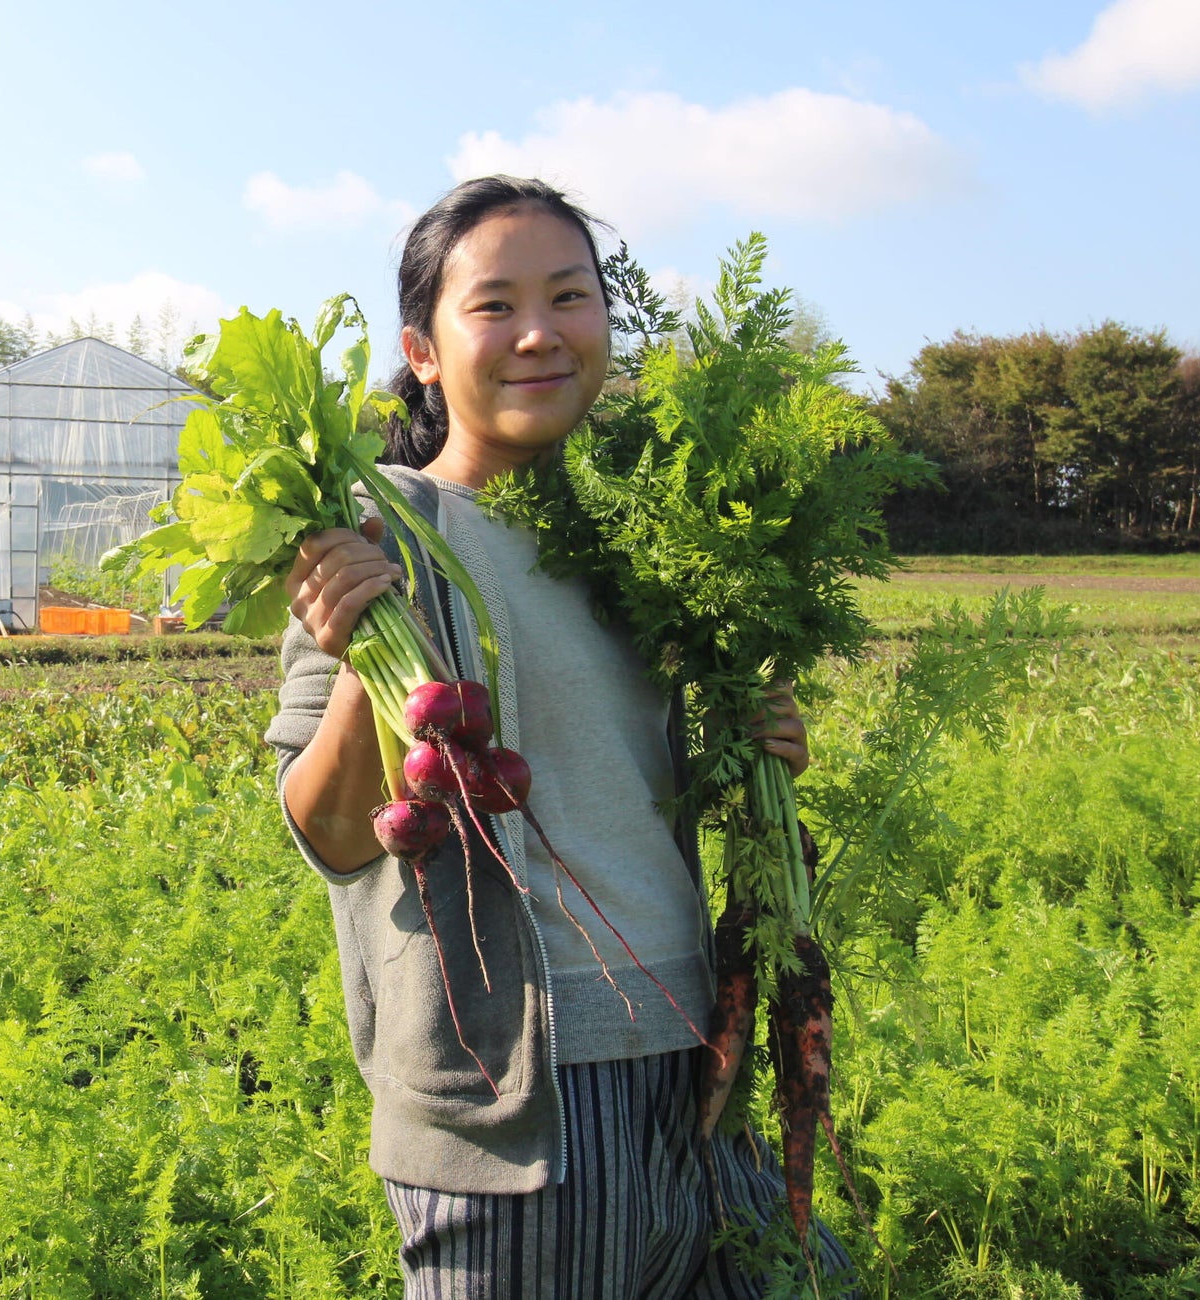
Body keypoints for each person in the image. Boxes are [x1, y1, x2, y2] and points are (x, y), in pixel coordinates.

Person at [263, 175, 854, 1297]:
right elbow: (332, 834)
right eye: (494, 306)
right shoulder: (380, 529)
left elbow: (639, 793)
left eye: (570, 298)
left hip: (701, 1069)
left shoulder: (644, 539)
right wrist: (355, 657)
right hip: (517, 1103)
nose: (539, 332)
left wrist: (753, 750)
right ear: (424, 350)